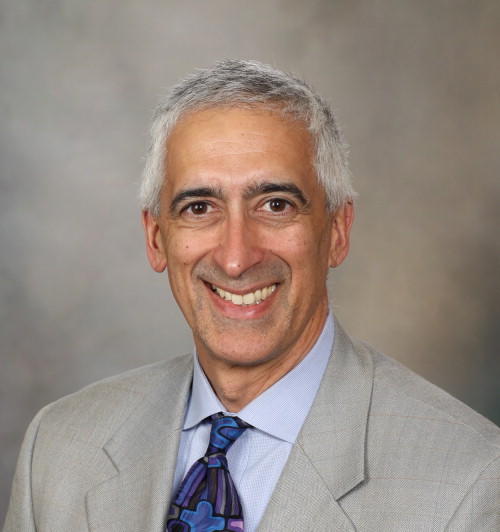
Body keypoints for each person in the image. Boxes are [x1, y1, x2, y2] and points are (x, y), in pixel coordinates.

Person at [3, 60, 499, 532]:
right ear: (156, 238)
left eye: (275, 205)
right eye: (200, 207)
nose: (236, 258)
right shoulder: (60, 447)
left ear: (337, 230)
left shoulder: (470, 481)